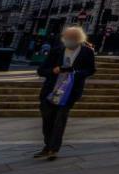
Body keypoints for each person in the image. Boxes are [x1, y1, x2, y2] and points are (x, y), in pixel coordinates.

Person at [35, 26, 97, 160]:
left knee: (60, 120)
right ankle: (48, 145)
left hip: (70, 91)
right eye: (66, 38)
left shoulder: (87, 52)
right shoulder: (56, 51)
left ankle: (53, 149)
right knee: (47, 119)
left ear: (79, 39)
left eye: (72, 38)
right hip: (51, 90)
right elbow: (41, 70)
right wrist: (54, 71)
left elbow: (91, 70)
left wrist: (75, 74)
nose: (68, 40)